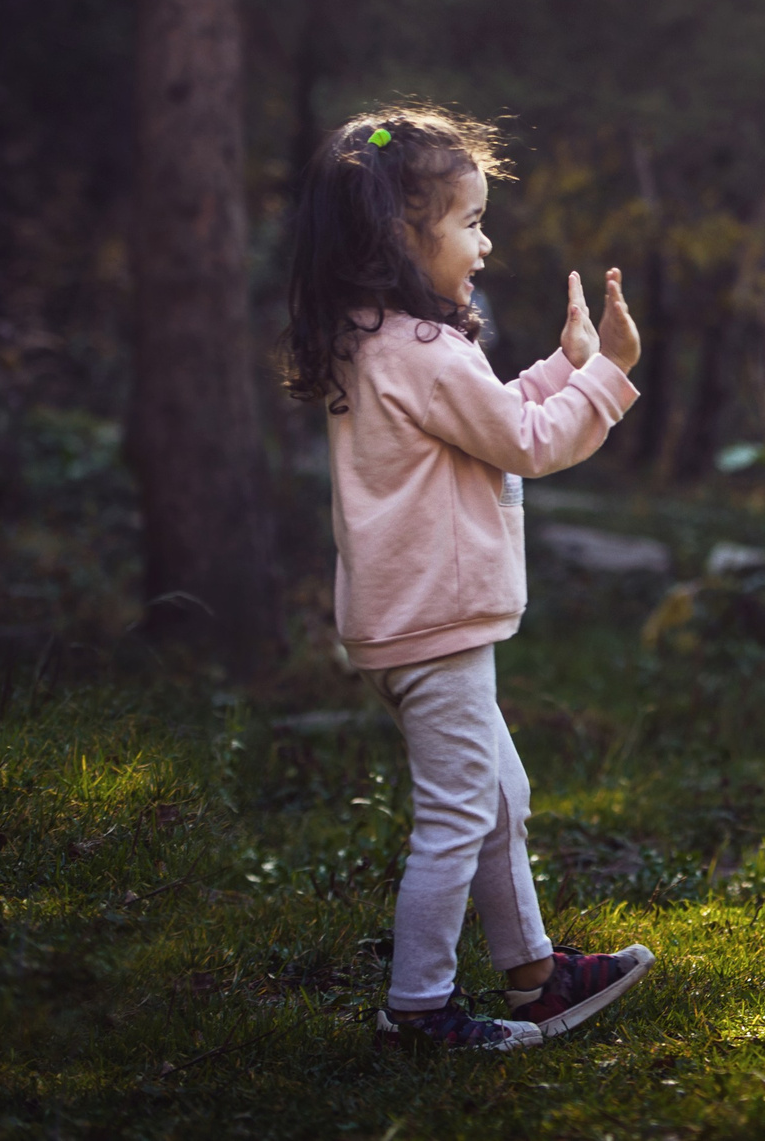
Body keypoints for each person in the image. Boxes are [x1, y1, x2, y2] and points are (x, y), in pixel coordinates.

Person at [283, 110, 656, 1051]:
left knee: (497, 796)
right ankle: (418, 1010)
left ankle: (535, 973)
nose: (486, 242)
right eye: (471, 221)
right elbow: (523, 442)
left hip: (404, 620)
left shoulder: (373, 341)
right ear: (404, 234)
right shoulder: (423, 350)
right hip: (436, 623)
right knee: (457, 813)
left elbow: (486, 417)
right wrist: (607, 375)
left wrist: (560, 367)